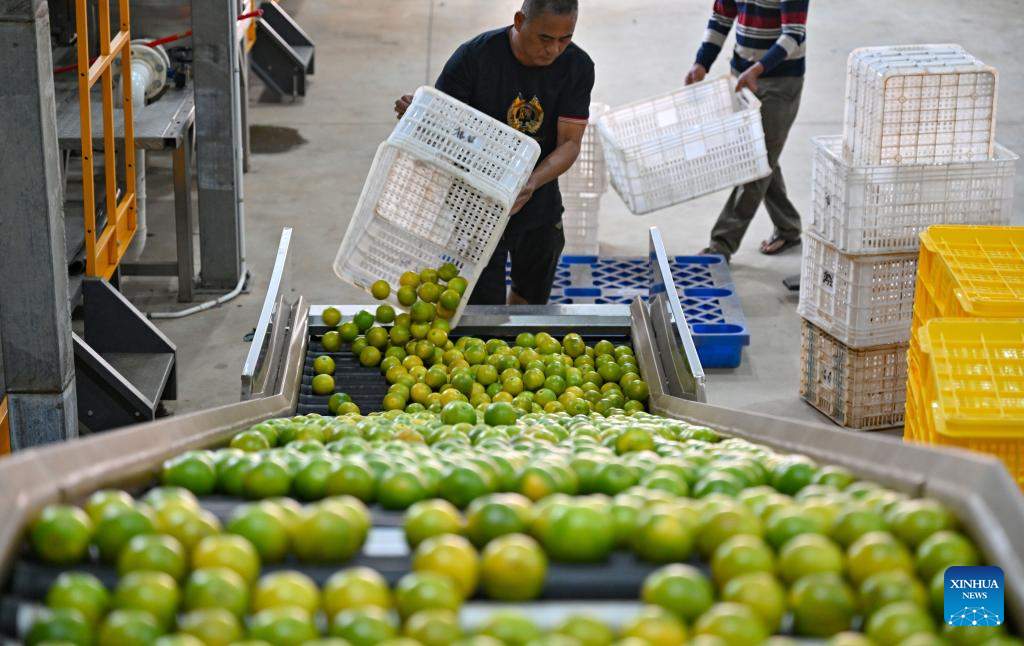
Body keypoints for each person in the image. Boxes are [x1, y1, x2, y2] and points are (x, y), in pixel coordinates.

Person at [395, 0, 594, 305]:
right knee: (484, 306)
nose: (554, 49)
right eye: (545, 38)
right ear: (519, 21)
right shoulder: (474, 59)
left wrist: (531, 182)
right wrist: (422, 116)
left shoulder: (577, 66)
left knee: (532, 296)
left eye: (564, 39)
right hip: (476, 204)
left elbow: (570, 143)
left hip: (537, 198)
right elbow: (443, 128)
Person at [686, 0, 809, 263]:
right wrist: (702, 62)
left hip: (780, 82)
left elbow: (793, 35)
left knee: (757, 163)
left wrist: (758, 69)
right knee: (762, 155)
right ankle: (788, 227)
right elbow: (722, 16)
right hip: (742, 76)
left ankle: (721, 245)